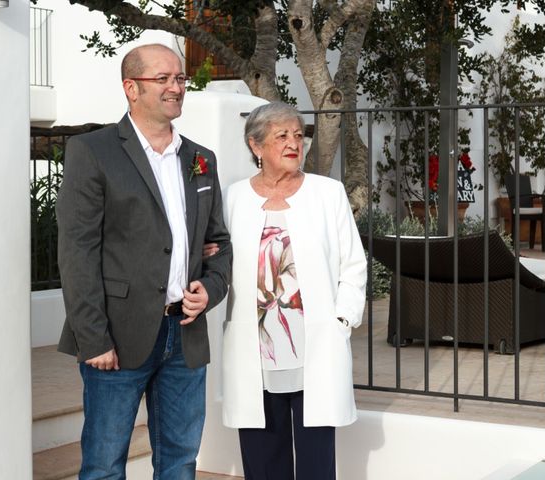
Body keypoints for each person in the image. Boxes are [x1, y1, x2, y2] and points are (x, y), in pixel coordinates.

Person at [56, 43, 232, 480]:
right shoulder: (93, 151)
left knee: (179, 460)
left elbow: (220, 244)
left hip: (185, 336)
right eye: (164, 79)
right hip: (116, 334)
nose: (176, 88)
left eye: (180, 79)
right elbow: (77, 251)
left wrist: (211, 289)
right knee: (104, 464)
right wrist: (91, 337)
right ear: (130, 88)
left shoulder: (201, 159)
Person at [221, 102, 367, 479]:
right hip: (257, 348)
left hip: (314, 344)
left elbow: (353, 264)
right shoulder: (234, 197)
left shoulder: (327, 193)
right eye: (281, 136)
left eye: (298, 135)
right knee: (263, 459)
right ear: (256, 145)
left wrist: (342, 319)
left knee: (317, 462)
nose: (293, 143)